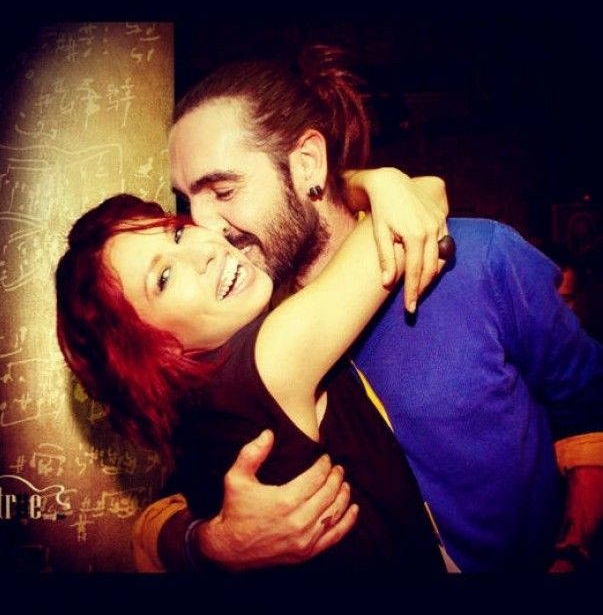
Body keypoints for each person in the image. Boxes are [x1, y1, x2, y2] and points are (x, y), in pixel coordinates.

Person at [133, 44, 603, 574]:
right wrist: (211, 543)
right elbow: (174, 500)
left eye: (222, 190)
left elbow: (588, 405)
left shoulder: (479, 260)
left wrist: (573, 554)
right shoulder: (245, 334)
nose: (202, 226)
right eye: (187, 202)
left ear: (307, 164)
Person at [55, 171, 451, 574]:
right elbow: (421, 198)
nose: (202, 252)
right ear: (151, 348)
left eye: (176, 234)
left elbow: (160, 524)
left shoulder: (202, 413)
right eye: (164, 278)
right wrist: (368, 181)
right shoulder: (266, 362)